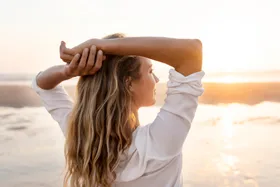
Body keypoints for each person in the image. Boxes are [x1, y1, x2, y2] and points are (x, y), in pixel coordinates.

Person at [31, 33, 205, 187]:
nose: (156, 79)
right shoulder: (157, 144)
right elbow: (191, 51)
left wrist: (69, 71)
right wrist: (99, 45)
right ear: (128, 83)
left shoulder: (82, 138)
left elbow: (42, 85)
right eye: (150, 71)